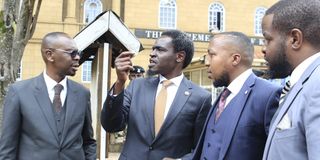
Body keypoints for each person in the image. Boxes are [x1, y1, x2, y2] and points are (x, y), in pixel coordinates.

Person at [100, 29, 212, 160]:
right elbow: (111, 125)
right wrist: (120, 82)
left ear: (180, 56)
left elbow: (201, 147)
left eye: (160, 50)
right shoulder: (137, 86)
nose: (152, 54)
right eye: (153, 49)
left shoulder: (201, 98)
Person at [0, 32, 97, 159]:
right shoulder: (19, 92)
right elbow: (8, 148)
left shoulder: (82, 94)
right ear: (50, 55)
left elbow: (88, 141)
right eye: (72, 53)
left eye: (78, 53)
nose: (78, 57)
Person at [191, 32, 281, 160]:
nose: (206, 62)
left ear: (235, 59)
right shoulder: (223, 96)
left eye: (212, 55)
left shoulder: (268, 95)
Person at [261, 0, 320, 159]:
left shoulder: (317, 86)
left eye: (268, 39)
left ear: (295, 39)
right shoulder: (302, 83)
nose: (263, 49)